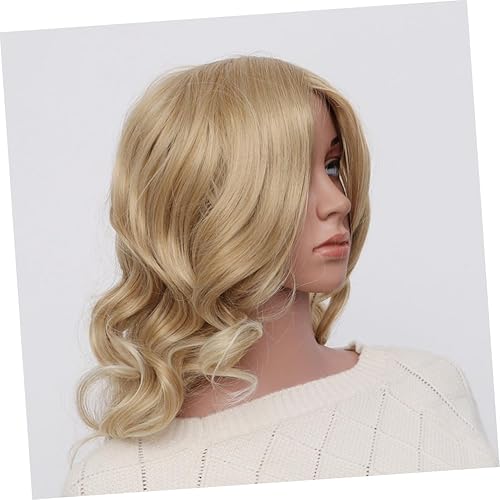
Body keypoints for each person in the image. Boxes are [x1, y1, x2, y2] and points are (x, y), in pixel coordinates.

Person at [62, 55, 497, 496]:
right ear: (208, 201)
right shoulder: (116, 480)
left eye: (331, 166)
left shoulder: (426, 389)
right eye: (290, 176)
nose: (340, 202)